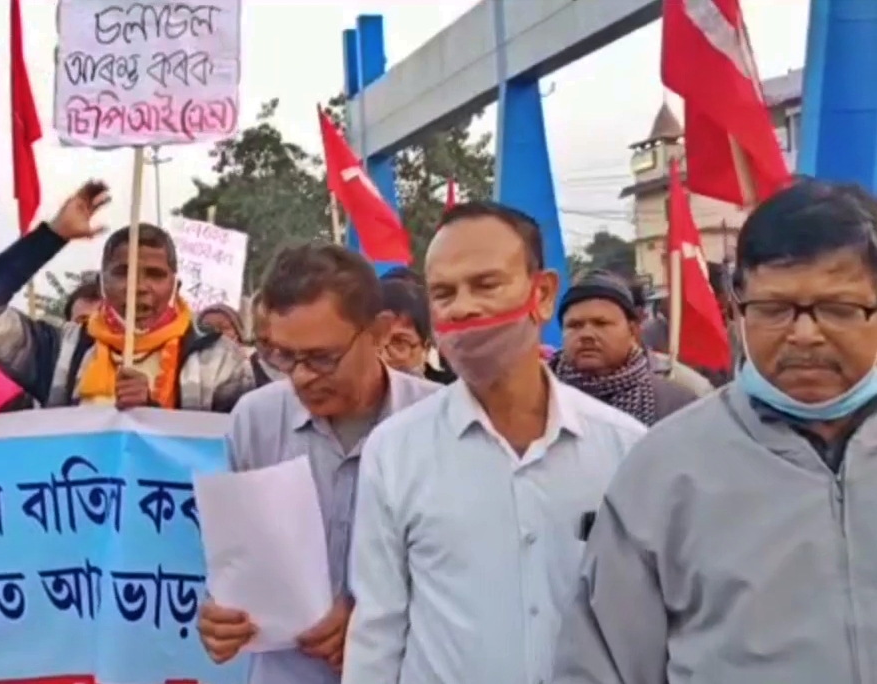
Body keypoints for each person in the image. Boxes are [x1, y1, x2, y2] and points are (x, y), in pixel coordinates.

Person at [552, 180, 877, 683]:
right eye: (773, 310)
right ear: (737, 304)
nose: (805, 334)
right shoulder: (664, 469)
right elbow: (601, 666)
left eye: (839, 309)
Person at [341, 201, 646, 684]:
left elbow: (646, 624)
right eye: (443, 293)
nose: (462, 308)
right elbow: (377, 630)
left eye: (485, 285)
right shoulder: (395, 451)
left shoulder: (626, 450)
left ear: (542, 294)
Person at [197, 243, 440, 684]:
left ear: (379, 332)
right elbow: (241, 562)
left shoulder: (438, 424)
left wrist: (377, 621)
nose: (302, 376)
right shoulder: (256, 420)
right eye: (283, 356)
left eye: (323, 357)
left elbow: (468, 578)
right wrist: (220, 616)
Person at [0, 181, 252, 411]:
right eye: (122, 273)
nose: (138, 286)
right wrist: (52, 237)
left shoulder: (220, 359)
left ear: (176, 284)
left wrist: (153, 417)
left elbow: (235, 451)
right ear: (101, 282)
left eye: (155, 275)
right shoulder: (61, 350)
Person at [552, 271, 698, 424]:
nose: (586, 334)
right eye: (574, 325)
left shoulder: (676, 404)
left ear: (633, 331)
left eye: (601, 323)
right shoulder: (540, 397)